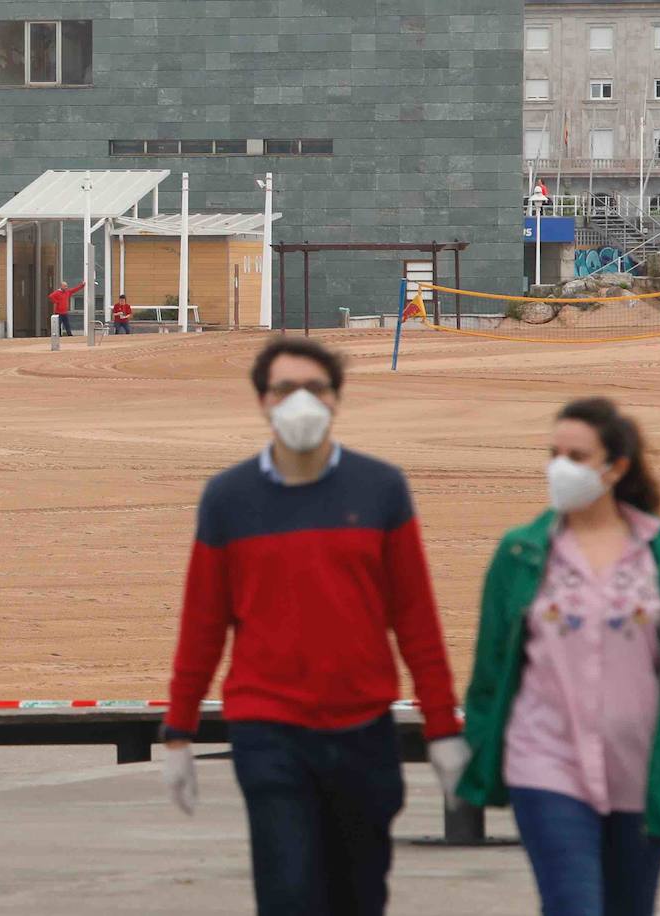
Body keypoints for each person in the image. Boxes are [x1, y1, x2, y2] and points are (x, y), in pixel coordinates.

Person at [161, 337, 469, 916]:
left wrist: (442, 728)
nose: (300, 401)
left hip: (363, 728)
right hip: (268, 729)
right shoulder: (228, 499)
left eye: (315, 388)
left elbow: (415, 617)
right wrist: (178, 730)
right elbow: (203, 621)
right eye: (285, 389)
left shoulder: (380, 488)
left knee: (360, 895)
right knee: (289, 892)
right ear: (262, 401)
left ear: (336, 400)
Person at [457, 397, 660, 916]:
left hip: (643, 771)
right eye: (553, 452)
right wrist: (471, 747)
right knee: (572, 905)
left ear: (616, 467)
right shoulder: (520, 555)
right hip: (545, 764)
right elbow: (490, 671)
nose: (559, 467)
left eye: (577, 456)